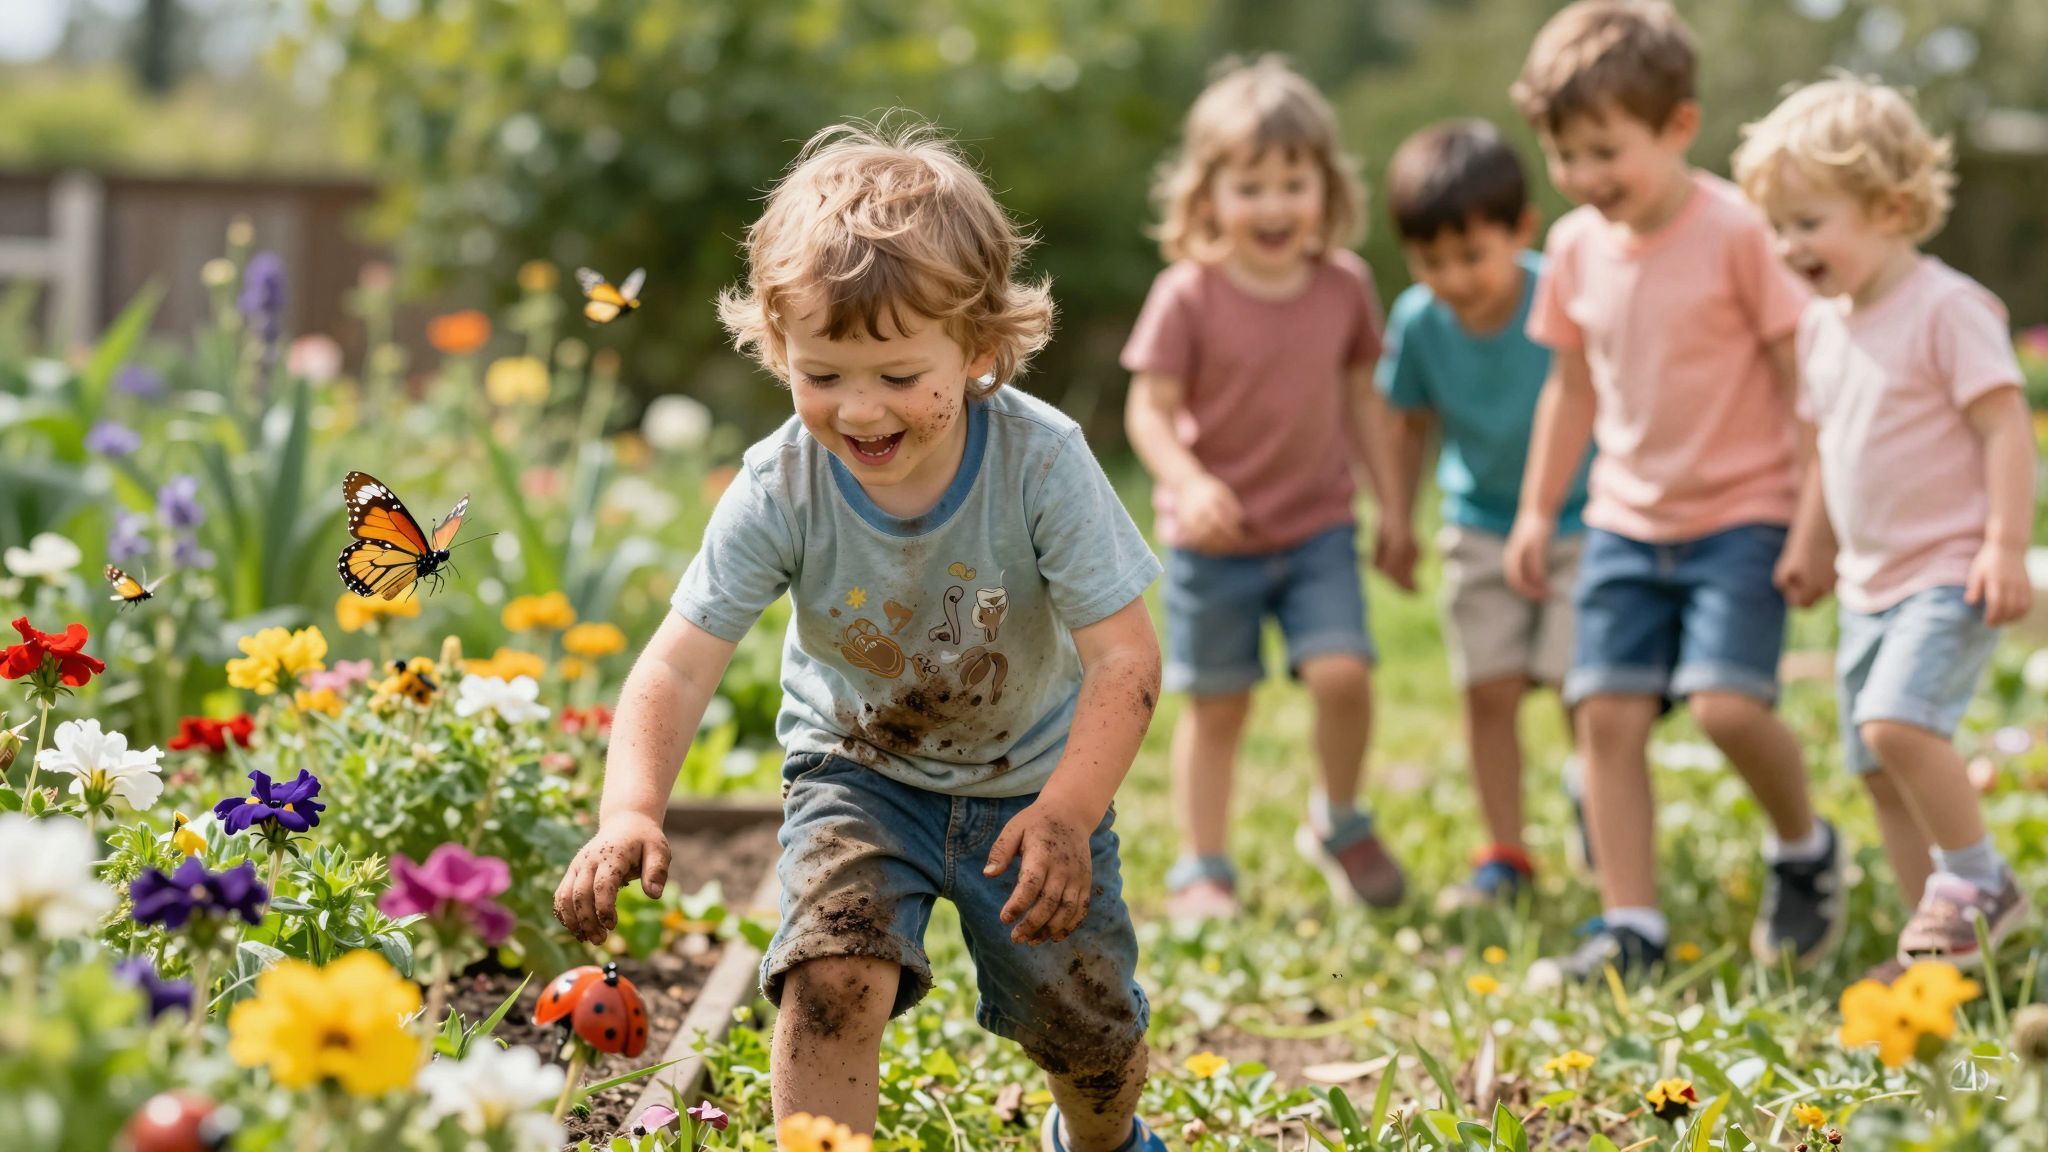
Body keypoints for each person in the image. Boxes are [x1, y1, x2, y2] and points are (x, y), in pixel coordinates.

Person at [553, 122, 1171, 1152]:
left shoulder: (1042, 463)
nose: (858, 409)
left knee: (1087, 1032)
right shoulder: (780, 485)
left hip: (1032, 786)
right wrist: (629, 810)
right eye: (823, 374)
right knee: (828, 976)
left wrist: (1068, 811)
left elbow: (1125, 659)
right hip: (858, 773)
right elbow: (679, 662)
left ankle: (1103, 1145)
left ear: (977, 350)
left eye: (895, 373)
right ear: (779, 351)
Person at [1503, 0, 1844, 981]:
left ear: (1678, 126)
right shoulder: (1574, 247)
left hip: (1744, 515)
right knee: (1603, 715)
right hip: (1623, 518)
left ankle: (1804, 848)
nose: (1583, 175)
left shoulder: (1737, 233)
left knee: (1725, 706)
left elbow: (1803, 383)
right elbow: (1570, 387)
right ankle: (1631, 928)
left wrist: (1813, 519)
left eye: (1605, 150)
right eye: (1563, 154)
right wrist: (1538, 508)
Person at [1736, 76, 2036, 972]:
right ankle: (1934, 947)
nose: (1789, 245)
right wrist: (1809, 540)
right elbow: (1830, 447)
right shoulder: (1822, 329)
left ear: (1892, 209)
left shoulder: (1947, 309)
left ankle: (1981, 882)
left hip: (1948, 568)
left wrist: (2004, 544)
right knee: (1878, 769)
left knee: (1898, 723)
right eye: (1777, 226)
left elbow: (2005, 428)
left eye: (1809, 221)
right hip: (1868, 583)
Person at [1122, 57, 1409, 923]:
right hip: (1215, 542)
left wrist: (1395, 508)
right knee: (1218, 706)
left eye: (1294, 183)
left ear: (1327, 187)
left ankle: (1340, 820)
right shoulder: (1188, 294)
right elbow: (1148, 411)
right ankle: (1203, 866)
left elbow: (1365, 402)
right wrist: (1189, 481)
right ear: (1208, 196)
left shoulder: (1345, 285)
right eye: (1251, 187)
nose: (1275, 206)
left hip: (1318, 528)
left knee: (1344, 674)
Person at [1376, 119, 1595, 907]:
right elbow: (1407, 424)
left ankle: (1599, 800)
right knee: (1487, 691)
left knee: (1583, 689)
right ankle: (1505, 851)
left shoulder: (1561, 295)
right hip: (1478, 527)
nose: (1454, 279)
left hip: (1583, 521)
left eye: (1472, 256)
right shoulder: (1419, 322)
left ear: (1520, 230)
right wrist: (1397, 519)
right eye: (1431, 261)